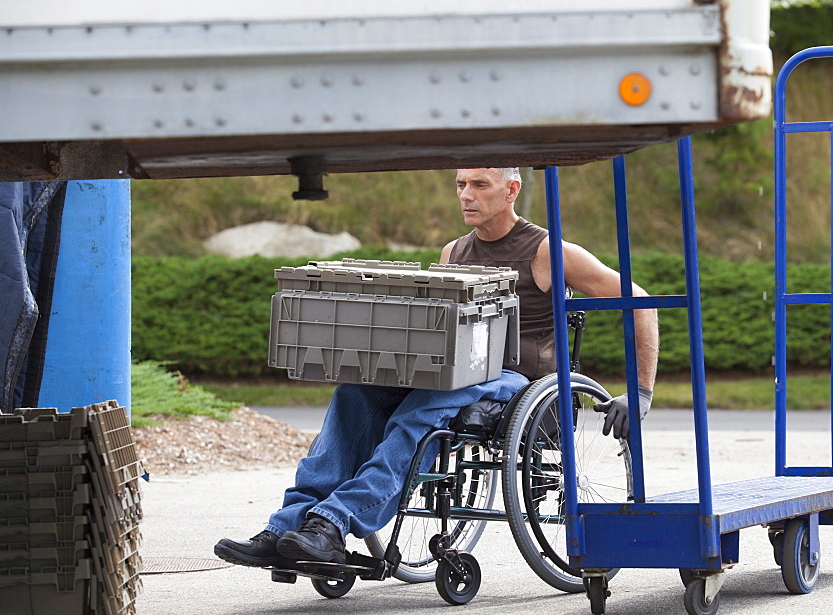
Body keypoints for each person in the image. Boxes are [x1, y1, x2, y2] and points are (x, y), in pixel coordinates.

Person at [214, 167, 659, 570]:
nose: (466, 195)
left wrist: (639, 391)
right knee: (355, 390)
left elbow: (640, 301)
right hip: (457, 370)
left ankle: (333, 521)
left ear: (512, 190)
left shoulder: (548, 250)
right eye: (460, 185)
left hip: (519, 382)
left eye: (480, 185)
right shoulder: (454, 251)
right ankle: (289, 525)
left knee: (426, 405)